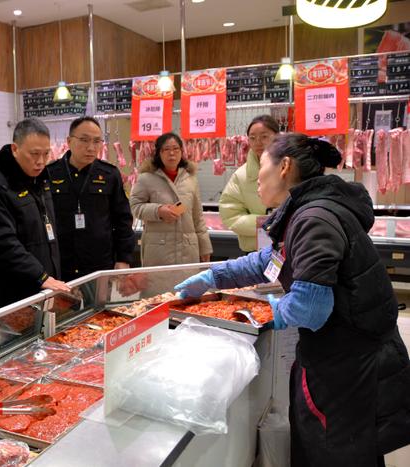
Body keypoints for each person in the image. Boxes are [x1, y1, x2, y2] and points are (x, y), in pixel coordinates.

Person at [175, 133, 410, 467]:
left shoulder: (314, 218)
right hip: (345, 356)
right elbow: (270, 262)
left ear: (284, 167)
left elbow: (310, 308)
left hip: (347, 365)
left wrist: (252, 314)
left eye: (260, 174)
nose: (256, 184)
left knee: (338, 453)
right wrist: (215, 276)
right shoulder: (309, 210)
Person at [0, 118, 70, 309]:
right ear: (15, 149)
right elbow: (4, 243)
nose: (41, 161)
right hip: (16, 291)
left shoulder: (40, 177)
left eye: (46, 154)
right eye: (34, 154)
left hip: (47, 285)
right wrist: (40, 276)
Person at [46, 116, 135, 281]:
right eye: (84, 140)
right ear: (69, 141)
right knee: (63, 307)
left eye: (96, 141)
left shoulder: (109, 174)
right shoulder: (50, 173)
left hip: (99, 264)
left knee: (101, 306)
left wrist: (123, 258)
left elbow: (123, 219)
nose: (91, 147)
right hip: (61, 265)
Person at [129, 132, 212, 289]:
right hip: (159, 250)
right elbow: (135, 206)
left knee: (187, 294)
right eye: (166, 149)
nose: (172, 153)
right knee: (158, 295)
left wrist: (205, 247)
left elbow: (197, 216)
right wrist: (158, 211)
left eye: (176, 148)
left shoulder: (190, 178)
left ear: (182, 151)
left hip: (188, 249)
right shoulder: (146, 178)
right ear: (159, 153)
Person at [218, 115, 278, 252]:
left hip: (291, 247)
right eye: (252, 138)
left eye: (264, 136)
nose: (258, 142)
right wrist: (265, 222)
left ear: (277, 137)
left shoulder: (292, 169)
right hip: (254, 252)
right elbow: (230, 215)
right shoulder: (241, 176)